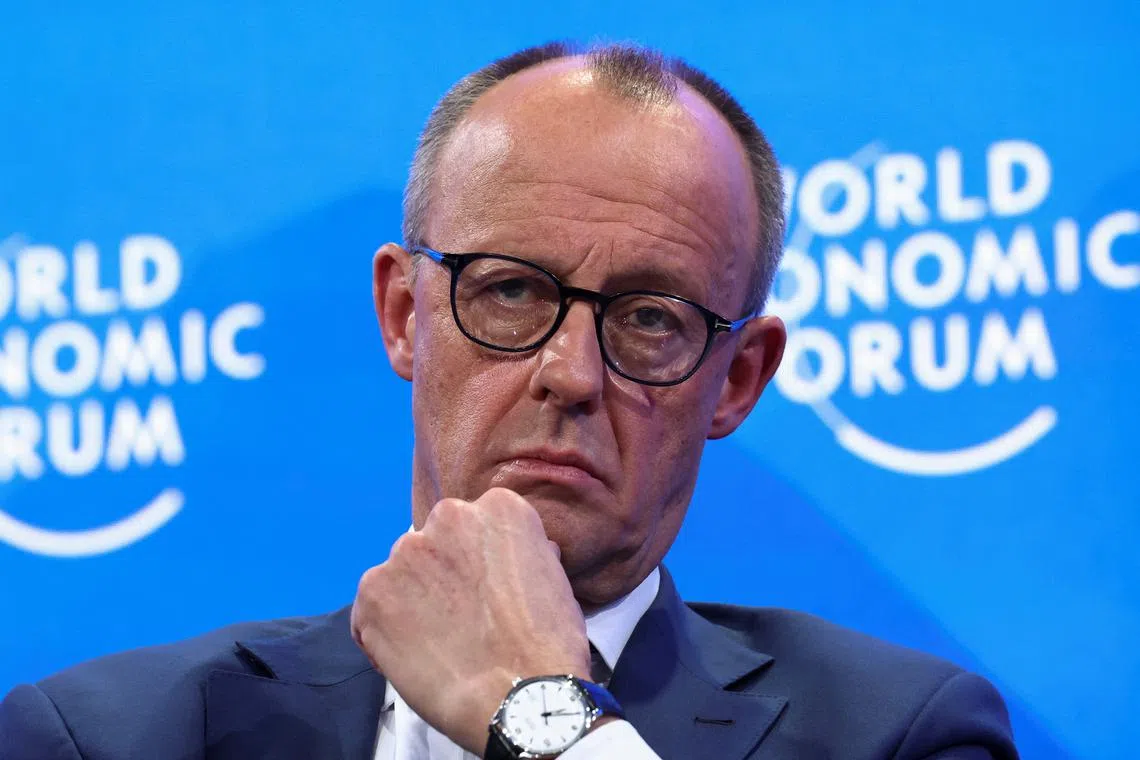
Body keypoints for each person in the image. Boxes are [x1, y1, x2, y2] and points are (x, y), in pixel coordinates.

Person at [0, 42, 1019, 760]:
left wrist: (541, 716)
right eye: (512, 291)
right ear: (404, 314)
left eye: (650, 317)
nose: (571, 374)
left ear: (737, 380)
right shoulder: (108, 737)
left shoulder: (898, 733)